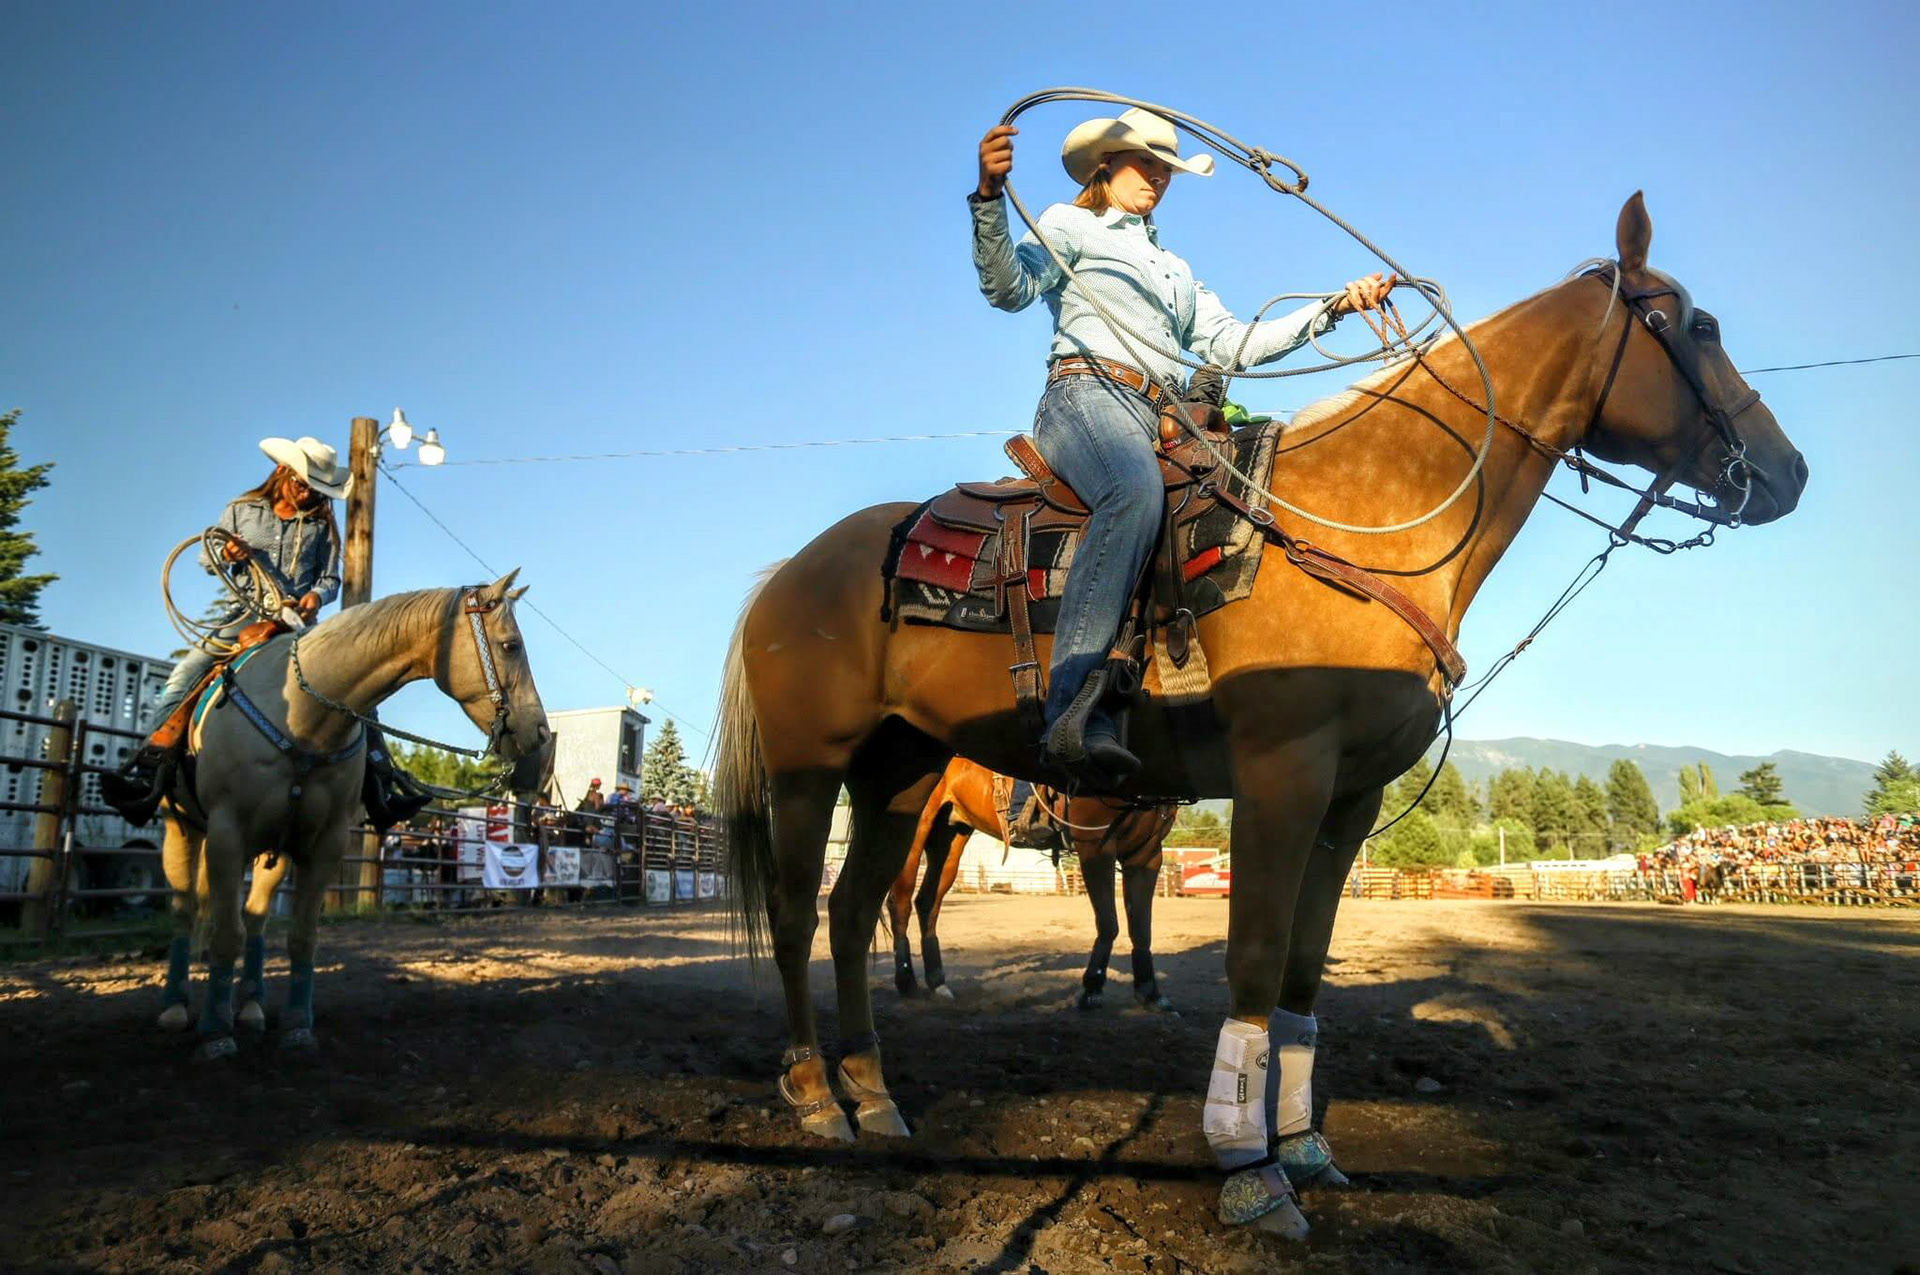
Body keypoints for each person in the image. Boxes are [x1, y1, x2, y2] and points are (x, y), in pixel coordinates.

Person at [969, 108, 1397, 785]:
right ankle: (1071, 710)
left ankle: (1179, 687)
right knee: (1132, 492)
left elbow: (1234, 345)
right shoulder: (1069, 224)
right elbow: (1008, 289)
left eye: (1167, 167)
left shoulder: (1174, 269)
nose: (1160, 177)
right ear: (1105, 166)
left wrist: (1334, 309)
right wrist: (990, 200)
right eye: (1148, 163)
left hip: (1164, 415)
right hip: (1085, 395)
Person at [110, 436, 350, 800]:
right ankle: (152, 765)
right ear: (282, 471)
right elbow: (207, 560)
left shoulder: (322, 528)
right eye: (304, 486)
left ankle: (381, 781)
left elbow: (330, 579)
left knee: (354, 682)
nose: (308, 496)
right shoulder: (242, 509)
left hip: (299, 623)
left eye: (318, 492)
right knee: (185, 674)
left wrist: (316, 596)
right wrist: (229, 553)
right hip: (244, 613)